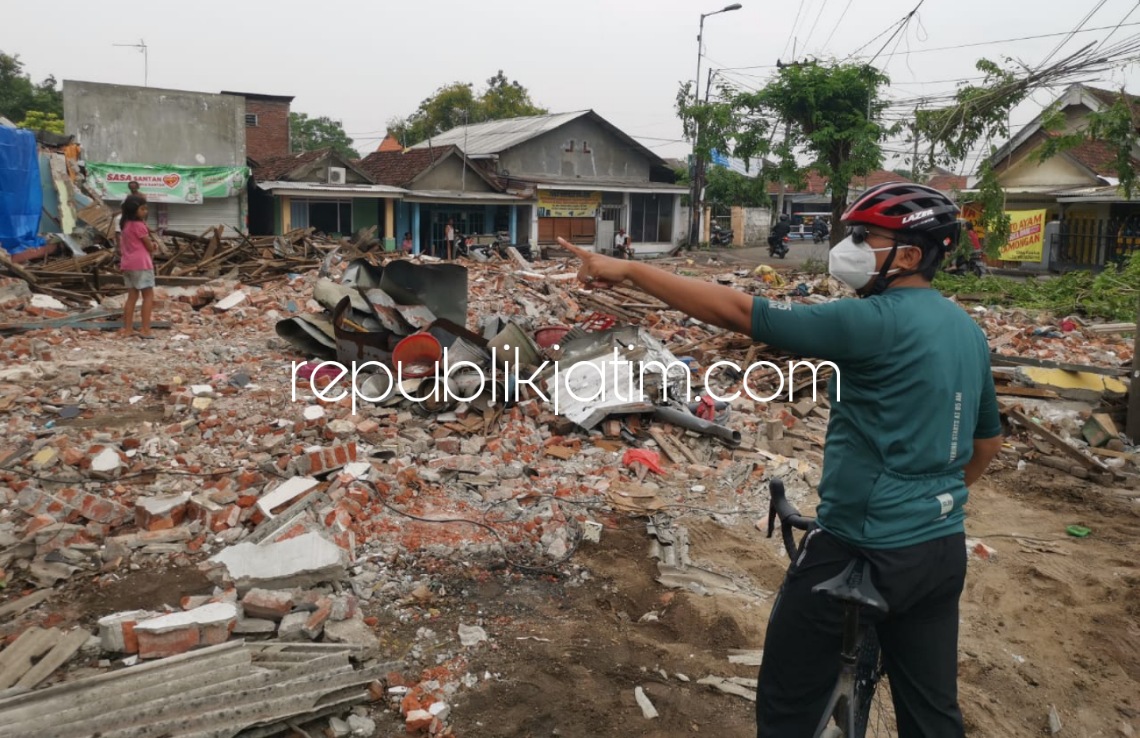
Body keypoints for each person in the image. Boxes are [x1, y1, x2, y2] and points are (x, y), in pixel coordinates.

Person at [560, 181, 1003, 738]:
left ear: (909, 256)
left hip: (860, 554)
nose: (852, 246)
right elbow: (986, 443)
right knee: (933, 713)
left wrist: (625, 270)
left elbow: (740, 311)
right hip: (939, 553)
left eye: (865, 237)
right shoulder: (967, 329)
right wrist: (926, 505)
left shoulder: (872, 321)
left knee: (787, 705)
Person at [118, 195, 158, 339]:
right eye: (142, 209)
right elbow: (148, 246)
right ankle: (145, 330)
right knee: (148, 296)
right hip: (142, 264)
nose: (145, 211)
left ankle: (128, 329)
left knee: (132, 297)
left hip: (127, 263)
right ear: (134, 210)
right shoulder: (139, 226)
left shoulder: (125, 224)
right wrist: (154, 246)